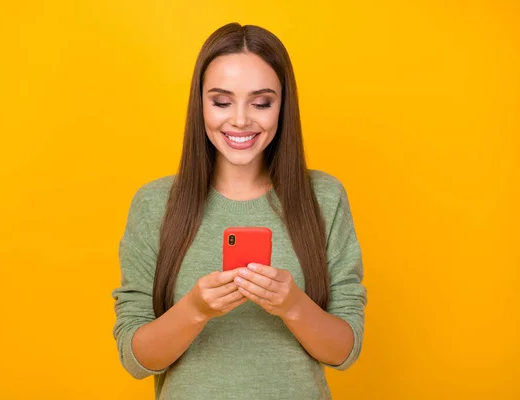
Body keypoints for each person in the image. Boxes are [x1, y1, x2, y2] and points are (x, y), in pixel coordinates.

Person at [111, 22, 367, 399]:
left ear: (284, 105)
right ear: (200, 104)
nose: (241, 119)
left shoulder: (324, 198)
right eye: (221, 101)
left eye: (262, 102)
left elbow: (344, 351)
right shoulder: (154, 204)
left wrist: (292, 304)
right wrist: (196, 309)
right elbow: (135, 359)